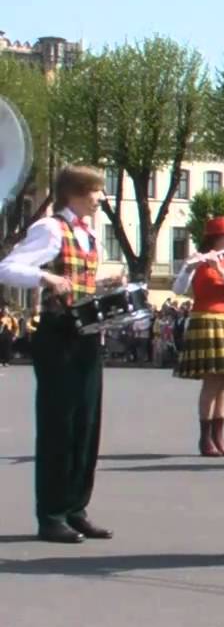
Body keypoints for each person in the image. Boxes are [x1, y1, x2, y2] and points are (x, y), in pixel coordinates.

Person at [0, 166, 123, 542]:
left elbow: (78, 280)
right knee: (59, 425)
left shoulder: (88, 235)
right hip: (57, 336)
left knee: (86, 424)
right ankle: (52, 513)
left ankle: (75, 507)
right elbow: (7, 267)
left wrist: (103, 282)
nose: (101, 198)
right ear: (76, 193)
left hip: (86, 334)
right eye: (97, 191)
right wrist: (45, 277)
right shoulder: (51, 229)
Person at [172, 216, 224, 458]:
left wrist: (218, 269)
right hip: (203, 319)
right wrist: (191, 267)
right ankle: (205, 438)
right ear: (215, 238)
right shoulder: (195, 260)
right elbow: (178, 289)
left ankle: (218, 436)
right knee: (210, 381)